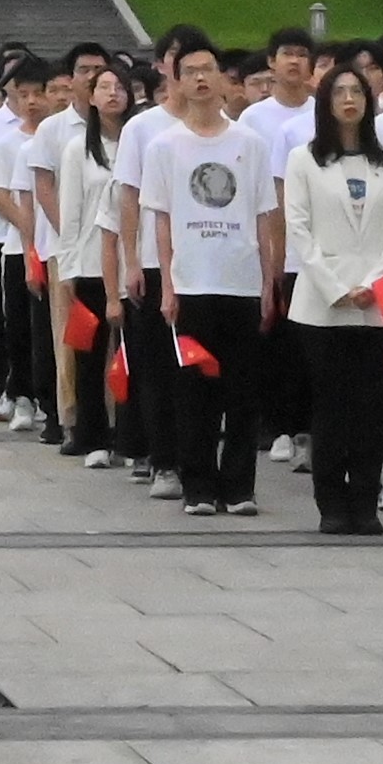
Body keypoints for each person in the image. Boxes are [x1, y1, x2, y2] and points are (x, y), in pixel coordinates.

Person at [114, 32, 275, 517]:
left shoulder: (250, 142)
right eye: (191, 72)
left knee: (242, 392)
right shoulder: (164, 145)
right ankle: (198, 486)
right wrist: (167, 283)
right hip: (190, 284)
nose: (201, 78)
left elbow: (264, 216)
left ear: (225, 79)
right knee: (193, 392)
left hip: (241, 281)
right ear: (176, 82)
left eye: (209, 69)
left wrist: (268, 284)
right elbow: (160, 220)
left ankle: (239, 486)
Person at [279, 65, 383, 535]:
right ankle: (331, 502)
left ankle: (366, 502)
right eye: (340, 91)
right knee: (331, 405)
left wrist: (371, 282)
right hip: (321, 301)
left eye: (357, 91)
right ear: (325, 101)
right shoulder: (303, 160)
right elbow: (300, 229)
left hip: (375, 301)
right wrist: (336, 287)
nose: (349, 99)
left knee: (370, 406)